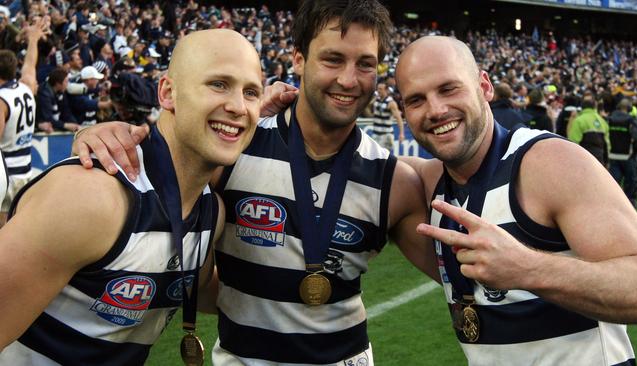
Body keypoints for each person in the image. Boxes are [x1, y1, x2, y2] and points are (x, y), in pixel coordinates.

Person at [71, 1, 437, 364]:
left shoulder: (394, 181)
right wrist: (100, 133)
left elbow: (463, 284)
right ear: (298, 60)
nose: (348, 79)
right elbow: (159, 167)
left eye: (365, 64)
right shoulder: (232, 150)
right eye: (332, 59)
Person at [0, 29, 261, 364]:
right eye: (218, 84)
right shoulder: (91, 197)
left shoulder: (210, 212)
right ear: (168, 92)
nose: (238, 106)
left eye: (251, 92)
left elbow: (215, 293)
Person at [396, 35, 637, 365]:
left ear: (484, 86)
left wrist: (529, 269)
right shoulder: (426, 184)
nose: (436, 110)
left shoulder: (550, 162)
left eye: (449, 89)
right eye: (416, 100)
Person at [0, 20, 43, 227]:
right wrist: (33, 39)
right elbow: (30, 65)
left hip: (5, 177)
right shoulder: (26, 87)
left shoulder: (1, 101)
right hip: (25, 171)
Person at [607, 98, 637, 206]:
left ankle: (612, 204)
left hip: (612, 155)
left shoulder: (609, 119)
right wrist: (636, 152)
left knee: (614, 184)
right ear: (629, 108)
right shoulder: (630, 120)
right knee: (630, 185)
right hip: (628, 156)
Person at [567, 94, 610, 166]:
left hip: (584, 159)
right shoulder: (602, 121)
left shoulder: (579, 120)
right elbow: (607, 144)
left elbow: (573, 142)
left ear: (582, 108)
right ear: (594, 107)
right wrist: (606, 161)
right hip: (599, 159)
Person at [371, 81, 405, 151]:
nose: (378, 91)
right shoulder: (377, 99)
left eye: (380, 89)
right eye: (378, 89)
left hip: (386, 135)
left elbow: (399, 119)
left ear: (386, 90)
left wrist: (401, 134)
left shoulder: (391, 103)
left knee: (382, 158)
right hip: (376, 134)